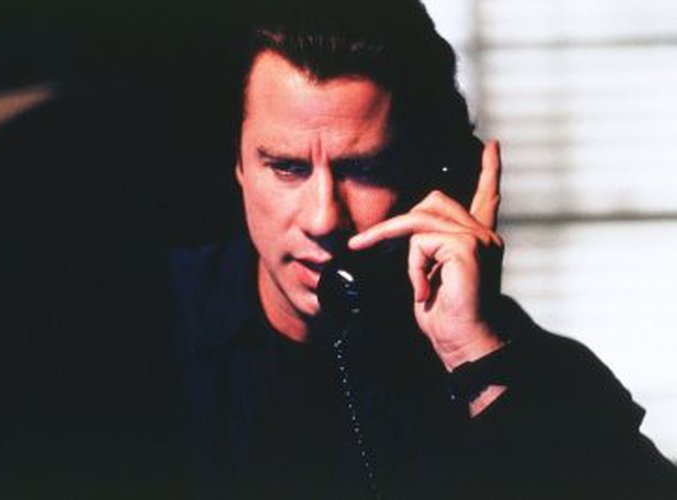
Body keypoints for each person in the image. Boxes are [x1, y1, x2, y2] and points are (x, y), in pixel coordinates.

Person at [168, 0, 677, 498]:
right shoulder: (145, 327)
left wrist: (475, 361)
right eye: (286, 167)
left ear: (428, 174)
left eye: (364, 170)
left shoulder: (519, 367)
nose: (323, 219)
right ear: (238, 164)